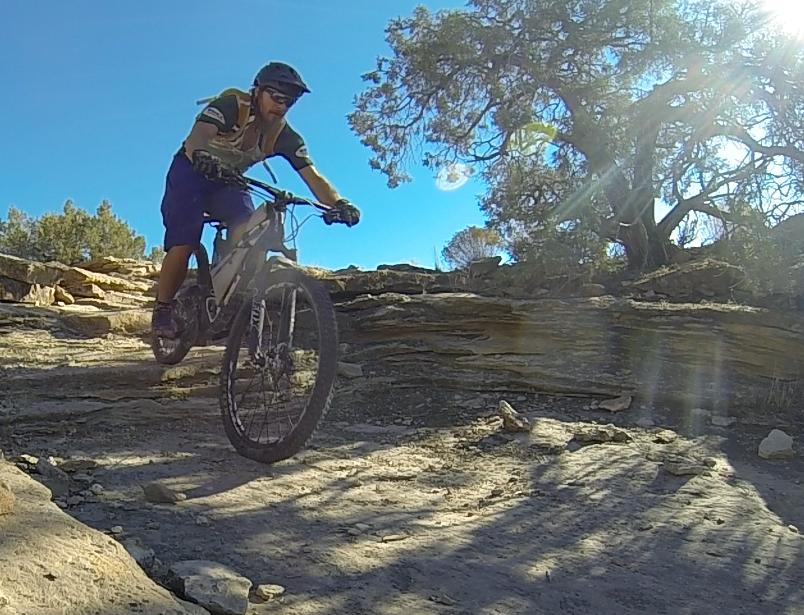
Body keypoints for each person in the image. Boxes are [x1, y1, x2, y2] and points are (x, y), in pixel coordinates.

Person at [153, 61, 360, 338]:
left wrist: (338, 204)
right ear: (258, 91)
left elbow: (312, 176)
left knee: (252, 230)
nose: (282, 106)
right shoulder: (232, 104)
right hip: (190, 171)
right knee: (184, 240)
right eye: (276, 97)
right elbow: (198, 135)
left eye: (290, 102)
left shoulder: (283, 135)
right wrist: (200, 155)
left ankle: (228, 295)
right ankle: (163, 309)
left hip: (229, 181)